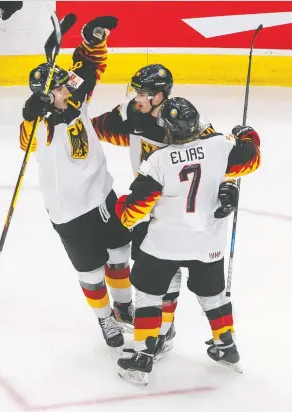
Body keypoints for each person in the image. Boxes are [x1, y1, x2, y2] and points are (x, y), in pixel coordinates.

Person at [91, 64, 238, 359]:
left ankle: (163, 328)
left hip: (178, 212)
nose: (137, 98)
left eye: (143, 92)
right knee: (162, 275)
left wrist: (228, 186)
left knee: (166, 271)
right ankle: (162, 330)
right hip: (146, 208)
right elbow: (90, 128)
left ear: (160, 96)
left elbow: (215, 159)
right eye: (136, 91)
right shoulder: (128, 113)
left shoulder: (190, 122)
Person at [114, 97, 261, 385]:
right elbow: (251, 159)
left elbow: (133, 211)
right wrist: (247, 135)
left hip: (165, 243)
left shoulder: (157, 160)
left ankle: (143, 358)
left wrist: (120, 206)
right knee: (213, 296)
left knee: (149, 296)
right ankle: (227, 347)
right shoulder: (220, 145)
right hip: (207, 241)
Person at [18, 16, 134, 348]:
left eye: (66, 84)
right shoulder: (40, 124)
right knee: (91, 272)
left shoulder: (74, 97)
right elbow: (27, 141)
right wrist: (30, 114)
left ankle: (124, 306)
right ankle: (105, 319)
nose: (68, 88)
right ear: (44, 96)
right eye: (60, 87)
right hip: (69, 210)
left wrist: (93, 39)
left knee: (119, 252)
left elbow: (87, 67)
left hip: (101, 192)